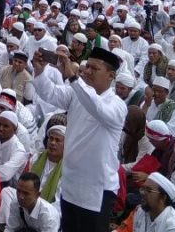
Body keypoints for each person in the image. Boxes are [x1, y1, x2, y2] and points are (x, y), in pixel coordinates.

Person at [31, 46, 126, 231]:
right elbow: (50, 93)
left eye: (94, 69)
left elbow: (96, 107)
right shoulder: (77, 92)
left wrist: (74, 78)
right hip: (70, 183)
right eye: (87, 67)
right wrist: (40, 70)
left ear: (111, 76)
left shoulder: (117, 105)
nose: (88, 72)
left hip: (96, 190)